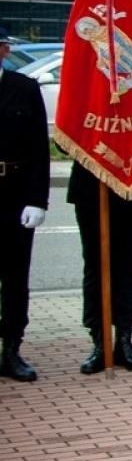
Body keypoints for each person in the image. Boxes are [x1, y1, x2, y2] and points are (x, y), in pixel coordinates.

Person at [70, 157, 132, 373]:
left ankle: (124, 339)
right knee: (96, 267)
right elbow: (63, 142)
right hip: (91, 187)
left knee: (127, 269)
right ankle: (99, 341)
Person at [1, 24, 48, 381]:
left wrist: (37, 200)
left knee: (16, 277)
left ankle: (12, 348)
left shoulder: (23, 88)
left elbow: (38, 150)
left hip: (15, 192)